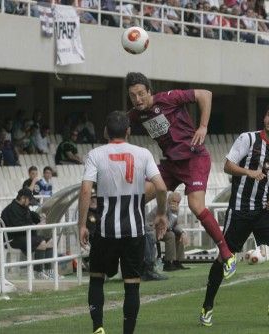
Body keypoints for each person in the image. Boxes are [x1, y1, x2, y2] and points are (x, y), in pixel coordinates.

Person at [125, 72, 237, 282]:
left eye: (141, 94)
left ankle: (227, 254)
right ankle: (136, 258)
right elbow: (116, 127)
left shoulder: (168, 98)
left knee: (196, 206)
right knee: (136, 198)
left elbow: (205, 94)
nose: (138, 99)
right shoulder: (135, 114)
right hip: (170, 164)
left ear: (149, 91)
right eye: (133, 96)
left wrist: (203, 126)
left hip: (194, 158)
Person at [200, 103, 269, 327]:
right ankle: (207, 306)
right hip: (240, 209)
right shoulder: (248, 139)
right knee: (225, 257)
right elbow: (228, 166)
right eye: (268, 114)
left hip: (264, 210)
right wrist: (248, 172)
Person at [78, 111, 168, 334]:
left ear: (106, 131)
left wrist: (81, 224)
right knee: (131, 284)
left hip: (105, 230)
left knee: (97, 279)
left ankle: (98, 327)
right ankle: (128, 331)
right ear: (129, 131)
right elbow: (162, 187)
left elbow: (86, 190)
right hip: (134, 230)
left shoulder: (95, 154)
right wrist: (161, 214)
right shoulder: (143, 153)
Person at [0, 188, 54, 279]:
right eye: (29, 200)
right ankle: (38, 272)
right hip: (14, 239)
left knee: (50, 241)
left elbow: (32, 216)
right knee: (41, 243)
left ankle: (49, 271)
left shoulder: (23, 207)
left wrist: (40, 218)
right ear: (23, 198)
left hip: (25, 236)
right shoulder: (11, 209)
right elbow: (18, 227)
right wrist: (34, 225)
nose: (29, 203)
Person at [147, 192, 190, 271]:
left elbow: (175, 225)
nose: (176, 203)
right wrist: (173, 214)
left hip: (162, 230)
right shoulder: (163, 207)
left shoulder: (175, 209)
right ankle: (168, 263)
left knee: (179, 235)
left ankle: (177, 261)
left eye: (178, 202)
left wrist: (182, 232)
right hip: (151, 230)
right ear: (168, 200)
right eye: (174, 201)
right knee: (171, 235)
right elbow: (167, 226)